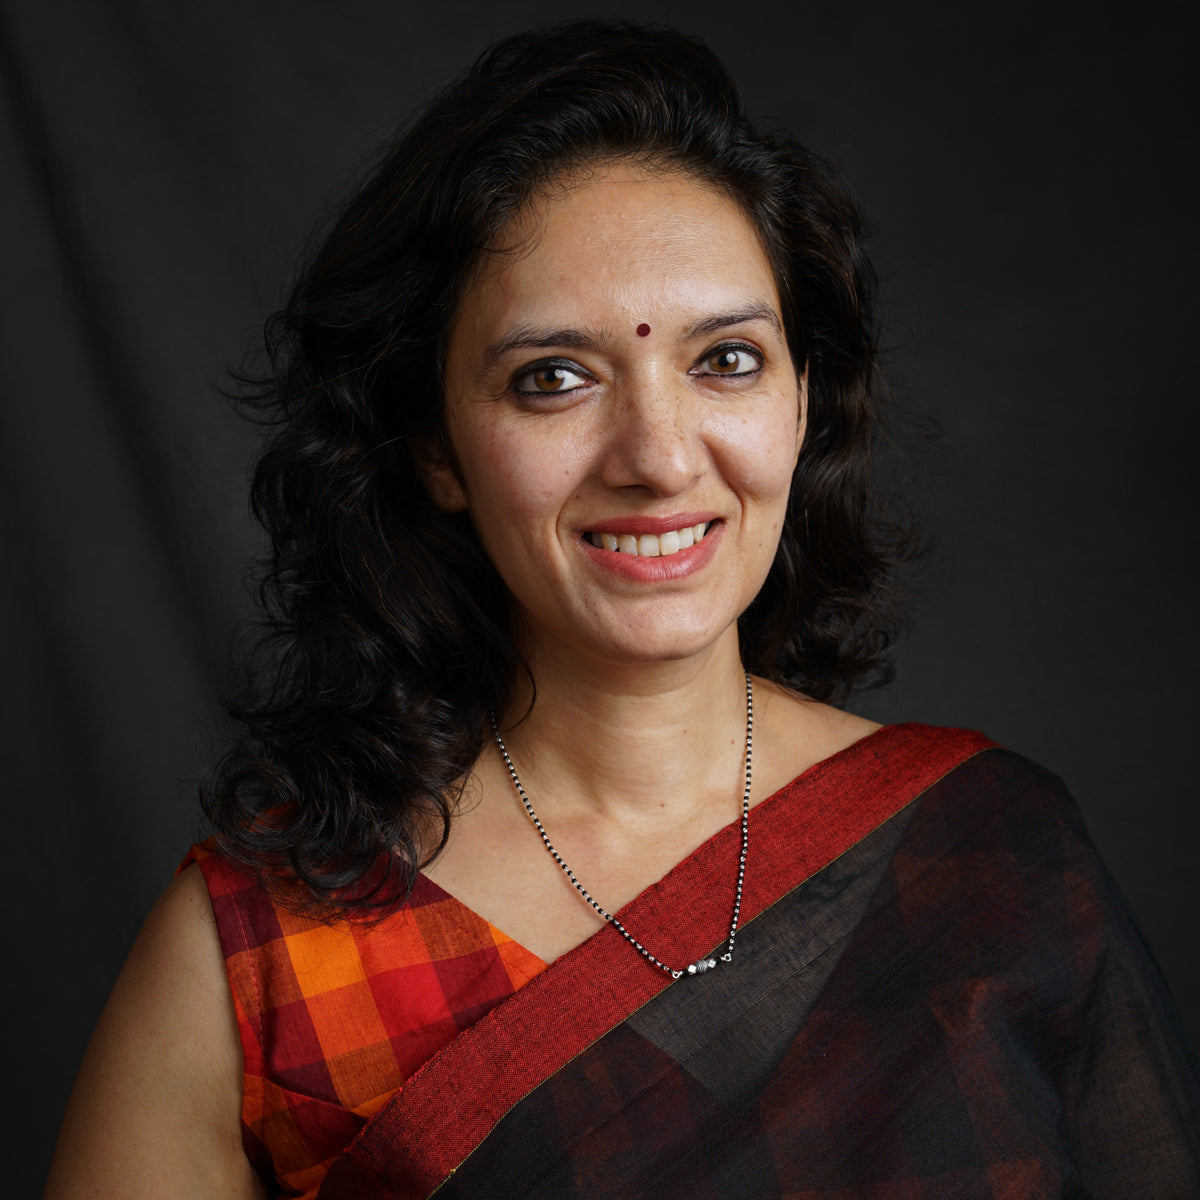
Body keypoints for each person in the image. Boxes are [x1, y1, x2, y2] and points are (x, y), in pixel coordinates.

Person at [45, 19, 1200, 1200]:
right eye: (554, 378)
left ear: (804, 402)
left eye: (727, 361)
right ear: (434, 448)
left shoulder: (987, 856)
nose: (657, 457)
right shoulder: (265, 960)